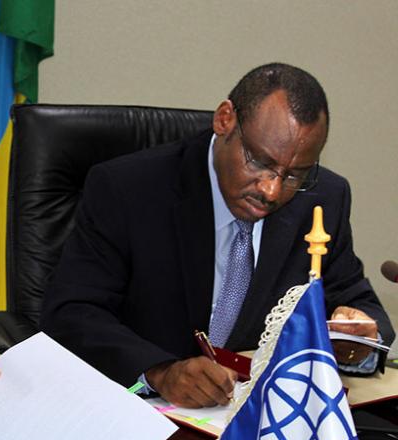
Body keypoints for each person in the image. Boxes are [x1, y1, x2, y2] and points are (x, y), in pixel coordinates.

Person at [39, 63, 394, 409]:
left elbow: (353, 299)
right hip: (138, 415)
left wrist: (359, 338)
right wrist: (159, 371)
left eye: (294, 175)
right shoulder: (128, 188)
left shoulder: (323, 199)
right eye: (259, 162)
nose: (271, 190)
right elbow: (72, 312)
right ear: (225, 119)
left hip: (255, 421)